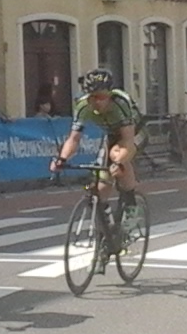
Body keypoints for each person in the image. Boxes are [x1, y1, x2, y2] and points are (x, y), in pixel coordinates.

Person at [50, 70, 144, 230]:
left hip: (135, 133)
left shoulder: (120, 103)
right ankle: (106, 229)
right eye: (92, 97)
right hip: (111, 135)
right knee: (101, 187)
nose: (97, 102)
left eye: (102, 97)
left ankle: (131, 207)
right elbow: (73, 139)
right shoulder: (83, 106)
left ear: (110, 94)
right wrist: (62, 159)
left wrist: (119, 163)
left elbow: (127, 141)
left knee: (117, 155)